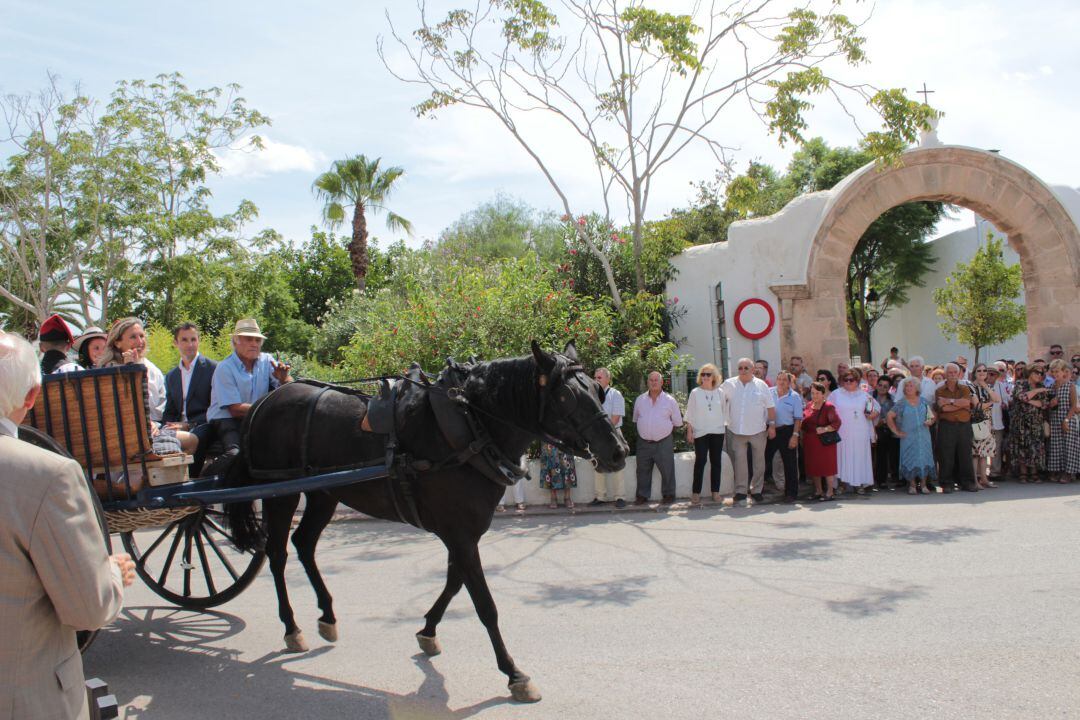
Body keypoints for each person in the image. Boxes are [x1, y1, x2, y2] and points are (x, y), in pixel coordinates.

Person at [0, 331, 135, 719]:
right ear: (30, 397)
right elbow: (89, 608)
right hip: (25, 699)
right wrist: (110, 571)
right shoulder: (48, 475)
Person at [204, 318, 293, 479]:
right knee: (236, 453)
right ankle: (204, 478)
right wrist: (269, 409)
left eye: (257, 340)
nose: (254, 343)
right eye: (248, 339)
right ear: (236, 341)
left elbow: (291, 389)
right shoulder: (224, 368)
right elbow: (235, 410)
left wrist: (284, 379)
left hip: (255, 417)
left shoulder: (267, 361)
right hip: (225, 420)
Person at [163, 323, 218, 476]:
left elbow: (215, 406)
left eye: (193, 339)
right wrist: (166, 426)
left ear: (199, 341)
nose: (190, 344)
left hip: (204, 424)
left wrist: (188, 424)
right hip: (178, 426)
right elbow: (170, 410)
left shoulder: (213, 368)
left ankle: (190, 482)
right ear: (176, 343)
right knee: (158, 438)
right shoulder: (172, 376)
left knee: (196, 437)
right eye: (185, 340)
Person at [721, 358, 776, 506]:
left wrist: (772, 425)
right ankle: (741, 491)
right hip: (737, 430)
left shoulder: (761, 385)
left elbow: (770, 407)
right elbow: (717, 399)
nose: (743, 370)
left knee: (759, 462)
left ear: (753, 370)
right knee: (740, 462)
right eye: (740, 368)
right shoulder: (729, 384)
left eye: (746, 368)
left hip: (758, 430)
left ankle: (757, 490)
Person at [632, 371, 683, 505]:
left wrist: (663, 430)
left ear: (661, 383)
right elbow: (636, 419)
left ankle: (669, 494)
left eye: (656, 380)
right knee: (642, 470)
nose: (654, 382)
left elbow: (677, 422)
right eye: (651, 380)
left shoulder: (670, 401)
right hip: (644, 442)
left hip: (664, 441)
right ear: (647, 382)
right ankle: (642, 496)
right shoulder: (640, 400)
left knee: (667, 469)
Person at [830, 370, 878, 495]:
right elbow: (828, 409)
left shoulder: (864, 395)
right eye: (846, 380)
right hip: (842, 431)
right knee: (842, 456)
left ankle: (859, 484)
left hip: (860, 431)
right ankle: (842, 484)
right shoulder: (836, 394)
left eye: (851, 380)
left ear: (857, 381)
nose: (848, 382)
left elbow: (877, 408)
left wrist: (872, 414)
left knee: (859, 456)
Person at [886, 377, 937, 494]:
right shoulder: (901, 403)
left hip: (924, 436)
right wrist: (896, 432)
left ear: (917, 388)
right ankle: (912, 484)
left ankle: (924, 484)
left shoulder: (924, 401)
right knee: (910, 459)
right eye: (906, 386)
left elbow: (933, 415)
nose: (908, 388)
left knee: (924, 458)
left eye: (911, 386)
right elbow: (889, 416)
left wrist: (931, 421)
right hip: (908, 437)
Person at [685, 363, 726, 505]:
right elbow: (690, 413)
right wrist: (689, 430)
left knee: (716, 462)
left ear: (714, 376)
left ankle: (715, 492)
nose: (705, 377)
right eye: (703, 374)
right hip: (700, 431)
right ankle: (696, 493)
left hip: (717, 431)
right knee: (700, 461)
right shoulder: (695, 392)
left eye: (708, 374)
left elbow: (724, 411)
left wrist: (725, 427)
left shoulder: (720, 392)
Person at [935, 363, 977, 492]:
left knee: (965, 454)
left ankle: (967, 482)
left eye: (955, 372)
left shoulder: (964, 388)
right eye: (950, 372)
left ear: (959, 374)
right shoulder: (940, 390)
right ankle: (946, 483)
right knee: (946, 455)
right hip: (947, 425)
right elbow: (944, 409)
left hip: (964, 425)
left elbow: (967, 403)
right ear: (946, 374)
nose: (952, 375)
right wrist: (959, 405)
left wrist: (950, 401)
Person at [588, 367, 626, 508]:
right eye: (595, 377)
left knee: (618, 465)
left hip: (614, 433)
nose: (596, 380)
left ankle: (620, 497)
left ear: (607, 379)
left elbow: (615, 418)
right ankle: (600, 497)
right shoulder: (591, 395)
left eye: (599, 377)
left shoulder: (615, 394)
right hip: (597, 436)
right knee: (598, 465)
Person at [766, 372, 803, 502]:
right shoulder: (769, 392)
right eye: (779, 379)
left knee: (790, 463)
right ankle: (760, 489)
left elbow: (798, 418)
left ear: (789, 382)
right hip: (770, 429)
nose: (781, 382)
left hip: (787, 430)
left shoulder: (794, 397)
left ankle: (791, 493)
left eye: (784, 380)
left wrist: (795, 435)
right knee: (764, 460)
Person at [802, 381, 842, 501]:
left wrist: (825, 429)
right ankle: (818, 491)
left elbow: (837, 423)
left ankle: (830, 492)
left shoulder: (828, 407)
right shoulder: (809, 405)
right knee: (814, 467)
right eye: (812, 393)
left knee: (827, 467)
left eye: (817, 393)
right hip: (810, 441)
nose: (814, 396)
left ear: (823, 394)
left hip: (825, 442)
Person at [1009, 366, 1049, 483]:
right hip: (1020, 422)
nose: (1039, 375)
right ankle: (1023, 473)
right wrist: (1036, 392)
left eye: (1041, 373)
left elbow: (1044, 404)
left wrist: (1028, 399)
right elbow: (1020, 396)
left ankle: (1034, 473)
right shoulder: (1020, 383)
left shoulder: (1042, 386)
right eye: (1037, 372)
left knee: (1035, 447)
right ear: (1030, 372)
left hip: (1036, 422)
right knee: (1022, 446)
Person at [1046, 358, 1080, 482]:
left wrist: (1066, 420)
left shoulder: (1070, 386)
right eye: (1053, 372)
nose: (1055, 374)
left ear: (1063, 372)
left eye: (1057, 371)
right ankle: (1058, 471)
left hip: (1068, 420)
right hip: (1055, 420)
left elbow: (1074, 406)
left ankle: (1069, 473)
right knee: (1056, 446)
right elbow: (1048, 406)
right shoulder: (1051, 387)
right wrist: (1051, 404)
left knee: (1069, 447)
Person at [969, 363, 1000, 489]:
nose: (982, 372)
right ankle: (974, 480)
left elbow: (997, 399)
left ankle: (984, 479)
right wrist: (990, 403)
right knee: (975, 453)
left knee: (984, 453)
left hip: (987, 422)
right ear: (974, 372)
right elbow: (977, 406)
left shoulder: (988, 386)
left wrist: (986, 387)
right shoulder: (970, 387)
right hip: (976, 422)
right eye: (979, 370)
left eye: (984, 370)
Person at [873, 376, 901, 489]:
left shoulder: (893, 400)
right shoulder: (870, 397)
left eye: (885, 386)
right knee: (880, 457)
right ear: (876, 384)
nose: (882, 388)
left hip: (890, 430)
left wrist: (886, 420)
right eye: (880, 385)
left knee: (894, 456)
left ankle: (896, 478)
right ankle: (880, 480)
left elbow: (897, 415)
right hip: (875, 430)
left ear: (889, 388)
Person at [987, 364, 1010, 479]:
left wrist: (1005, 405)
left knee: (996, 448)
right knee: (982, 449)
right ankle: (979, 473)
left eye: (993, 374)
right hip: (984, 423)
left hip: (997, 421)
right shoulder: (982, 386)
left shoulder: (1001, 386)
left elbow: (1006, 400)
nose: (991, 376)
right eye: (989, 373)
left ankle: (995, 472)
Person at [539, 442, 577, 509]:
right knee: (550, 463)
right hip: (548, 435)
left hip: (565, 435)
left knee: (567, 463)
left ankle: (567, 497)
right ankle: (553, 498)